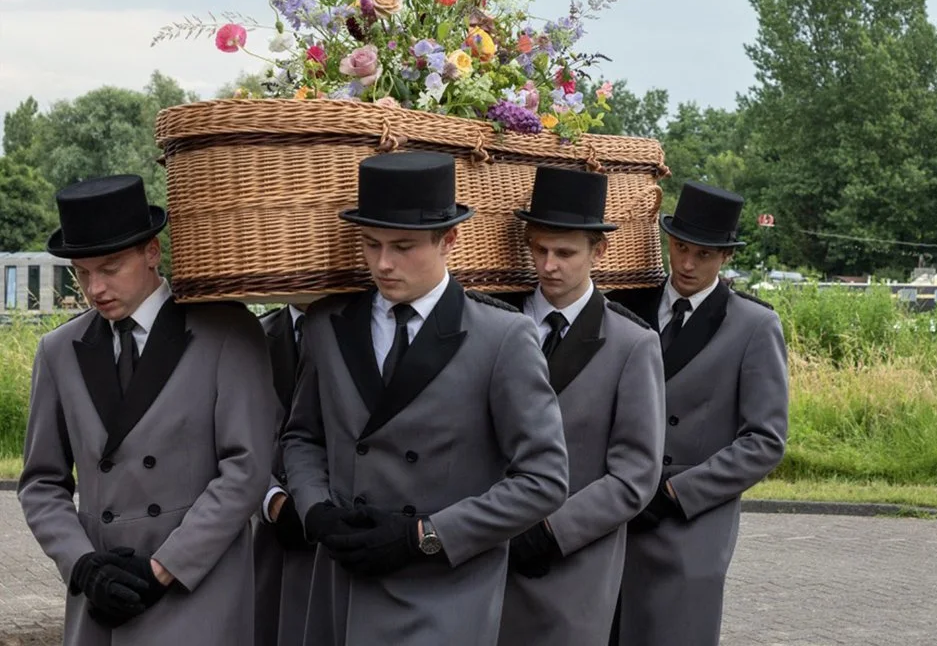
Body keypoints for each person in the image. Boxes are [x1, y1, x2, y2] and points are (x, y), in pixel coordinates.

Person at [281, 151, 569, 645]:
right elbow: (303, 437)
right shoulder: (327, 325)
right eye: (371, 245)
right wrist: (315, 511)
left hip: (444, 597)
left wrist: (424, 536)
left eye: (403, 246)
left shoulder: (503, 337)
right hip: (342, 586)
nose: (384, 263)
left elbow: (544, 480)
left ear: (449, 239)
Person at [18, 174, 276, 646]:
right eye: (82, 272)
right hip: (99, 600)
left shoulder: (229, 332)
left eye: (110, 267)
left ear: (152, 252)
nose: (95, 288)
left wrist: (164, 568)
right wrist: (83, 566)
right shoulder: (58, 351)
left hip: (197, 592)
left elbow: (247, 469)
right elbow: (41, 482)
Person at [609, 180, 789, 646]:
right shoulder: (626, 305)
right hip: (614, 514)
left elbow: (765, 441)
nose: (687, 264)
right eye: (680, 247)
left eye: (703, 255)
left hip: (689, 523)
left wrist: (673, 495)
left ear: (725, 257)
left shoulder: (755, 325)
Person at [494, 166, 666, 646]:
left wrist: (551, 532)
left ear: (600, 250)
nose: (549, 266)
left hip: (571, 568)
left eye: (565, 253)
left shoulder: (633, 343)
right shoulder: (492, 323)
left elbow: (635, 474)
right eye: (539, 250)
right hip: (484, 559)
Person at [253, 303, 316, 646]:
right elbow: (229, 439)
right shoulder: (251, 337)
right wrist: (272, 499)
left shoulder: (370, 325)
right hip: (271, 540)